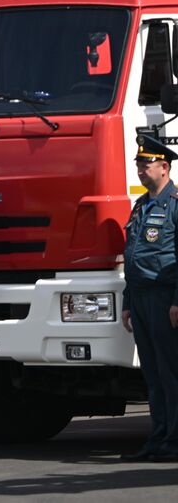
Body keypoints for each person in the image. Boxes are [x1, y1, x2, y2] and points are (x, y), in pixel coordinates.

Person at [119, 134, 178, 462]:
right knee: (152, 374)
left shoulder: (175, 204)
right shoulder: (141, 205)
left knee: (171, 373)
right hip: (141, 299)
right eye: (139, 164)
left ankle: (174, 441)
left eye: (146, 164)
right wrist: (128, 302)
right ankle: (157, 439)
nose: (141, 169)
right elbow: (133, 255)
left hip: (163, 298)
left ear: (164, 167)